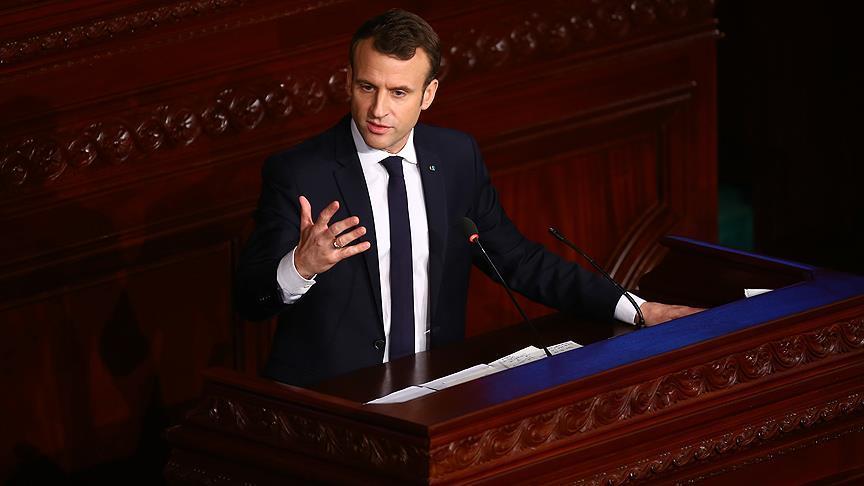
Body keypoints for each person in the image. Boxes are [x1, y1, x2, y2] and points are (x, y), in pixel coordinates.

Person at [235, 9, 700, 387]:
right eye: (367, 87)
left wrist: (637, 309)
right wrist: (301, 267)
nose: (379, 109)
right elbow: (249, 300)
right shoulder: (300, 172)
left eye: (399, 92)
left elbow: (518, 260)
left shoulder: (456, 157)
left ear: (429, 94)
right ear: (348, 81)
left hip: (432, 395)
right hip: (328, 402)